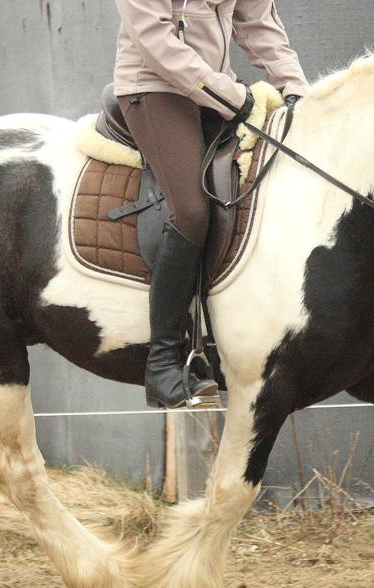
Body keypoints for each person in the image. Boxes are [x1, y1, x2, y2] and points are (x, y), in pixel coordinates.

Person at [112, 0, 309, 408]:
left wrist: (295, 88)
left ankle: (223, 343)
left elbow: (258, 21)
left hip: (216, 90)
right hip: (154, 88)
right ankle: (163, 362)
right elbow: (154, 39)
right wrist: (231, 95)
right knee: (193, 210)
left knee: (253, 197)